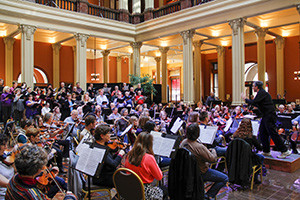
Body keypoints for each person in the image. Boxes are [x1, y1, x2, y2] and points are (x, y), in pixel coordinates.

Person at [242, 81, 292, 159]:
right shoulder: (261, 93)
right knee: (263, 133)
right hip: (266, 115)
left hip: (269, 115)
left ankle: (284, 150)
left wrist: (245, 99)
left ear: (257, 87)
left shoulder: (262, 93)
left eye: (253, 86)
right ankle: (266, 151)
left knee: (272, 133)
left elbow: (254, 103)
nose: (253, 88)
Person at [179, 123, 228, 199]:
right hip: (200, 173)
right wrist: (213, 151)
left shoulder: (183, 142)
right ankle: (208, 196)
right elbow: (213, 160)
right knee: (224, 178)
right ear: (198, 134)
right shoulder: (199, 146)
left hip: (186, 172)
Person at [125, 132, 164, 200]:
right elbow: (159, 177)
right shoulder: (149, 157)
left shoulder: (129, 154)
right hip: (143, 192)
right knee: (164, 190)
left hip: (129, 190)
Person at [233, 118, 264, 184]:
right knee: (261, 157)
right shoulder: (251, 137)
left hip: (236, 157)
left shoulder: (235, 135)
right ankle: (255, 178)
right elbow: (260, 148)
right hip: (248, 159)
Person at [0, 134, 15, 200]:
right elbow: (6, 183)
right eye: (3, 145)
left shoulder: (4, 155)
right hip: (4, 195)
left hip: (12, 190)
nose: (6, 147)